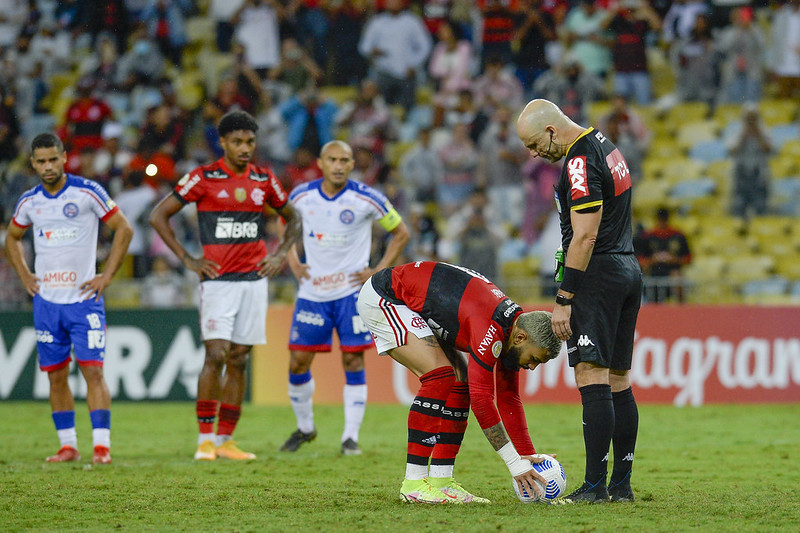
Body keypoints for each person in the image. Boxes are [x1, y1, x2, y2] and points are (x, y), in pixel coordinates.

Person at [149, 110, 302, 461]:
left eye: (250, 141)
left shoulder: (264, 178)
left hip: (253, 281)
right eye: (237, 141)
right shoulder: (203, 177)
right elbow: (158, 215)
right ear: (223, 143)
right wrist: (187, 259)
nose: (245, 147)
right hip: (218, 282)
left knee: (239, 358)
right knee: (216, 354)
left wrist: (279, 255)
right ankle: (204, 439)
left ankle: (225, 440)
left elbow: (293, 217)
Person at [516, 99, 643, 503]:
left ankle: (593, 488)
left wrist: (565, 296)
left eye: (535, 144)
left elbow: (585, 235)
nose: (535, 154)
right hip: (627, 267)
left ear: (552, 130)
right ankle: (620, 485)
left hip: (598, 275)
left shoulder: (579, 160)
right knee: (619, 381)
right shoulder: (606, 144)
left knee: (591, 376)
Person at [356, 261, 563, 503]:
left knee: (459, 383)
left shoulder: (512, 329)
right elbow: (483, 401)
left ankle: (441, 481)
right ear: (520, 337)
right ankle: (413, 483)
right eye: (534, 359)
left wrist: (526, 455)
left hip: (415, 303)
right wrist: (514, 464)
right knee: (440, 376)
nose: (531, 367)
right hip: (386, 295)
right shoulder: (490, 327)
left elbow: (508, 397)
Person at [4, 133, 134, 464]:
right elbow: (12, 237)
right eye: (41, 161)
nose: (48, 166)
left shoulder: (87, 192)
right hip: (46, 302)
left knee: (93, 372)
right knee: (56, 375)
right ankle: (68, 445)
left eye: (53, 159)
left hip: (83, 301)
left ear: (64, 157)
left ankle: (101, 447)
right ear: (33, 164)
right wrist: (24, 274)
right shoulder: (30, 202)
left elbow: (124, 228)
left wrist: (107, 275)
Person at [279, 140, 410, 455]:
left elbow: (401, 232)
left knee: (352, 358)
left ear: (353, 165)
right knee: (298, 362)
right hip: (312, 294)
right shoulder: (301, 195)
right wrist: (294, 262)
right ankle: (306, 428)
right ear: (321, 163)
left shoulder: (367, 198)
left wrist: (378, 270)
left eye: (345, 160)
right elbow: (283, 223)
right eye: (332, 159)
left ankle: (350, 437)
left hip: (352, 294)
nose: (338, 165)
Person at [635, 207, 691, 303]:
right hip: (652, 273)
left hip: (671, 273)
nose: (662, 222)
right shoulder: (648, 236)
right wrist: (653, 260)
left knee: (676, 276)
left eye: (664, 219)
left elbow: (688, 258)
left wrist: (674, 259)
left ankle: (681, 307)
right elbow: (638, 260)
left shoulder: (677, 235)